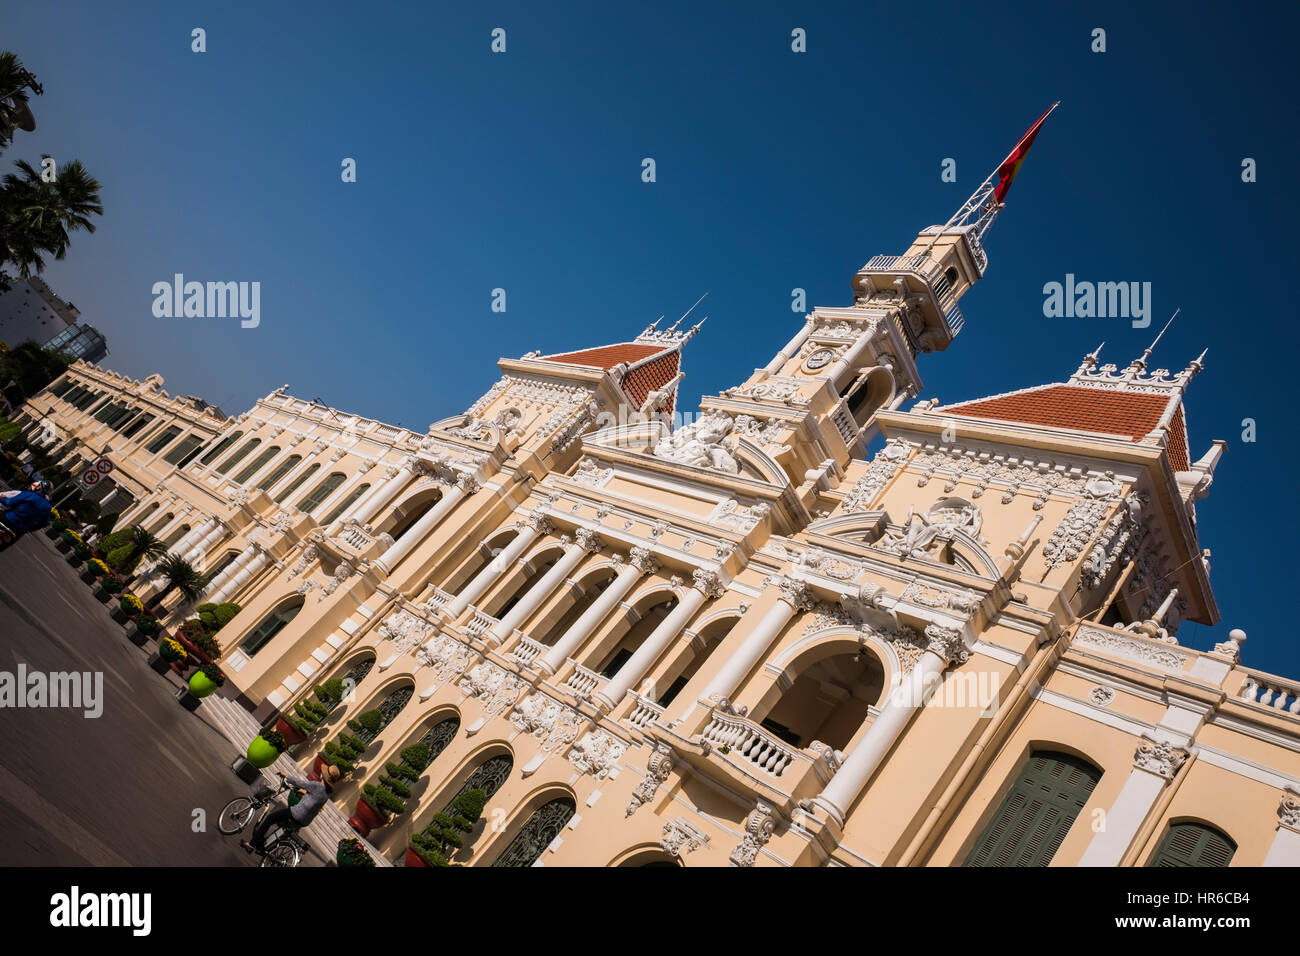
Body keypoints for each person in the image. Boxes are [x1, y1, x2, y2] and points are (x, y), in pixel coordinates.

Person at [243, 764, 341, 854]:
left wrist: (286, 775)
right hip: (305, 821)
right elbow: (315, 799)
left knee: (270, 818)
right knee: (283, 827)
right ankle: (265, 847)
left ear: (324, 775)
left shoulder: (317, 785)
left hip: (296, 813)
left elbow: (299, 782)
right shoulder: (327, 793)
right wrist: (305, 792)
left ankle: (252, 844)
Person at [0, 479, 54, 549]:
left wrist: (2, 497)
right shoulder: (48, 507)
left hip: (6, 519)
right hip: (19, 531)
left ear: (39, 487)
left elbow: (9, 503)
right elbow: (44, 523)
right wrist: (29, 528)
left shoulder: (28, 494)